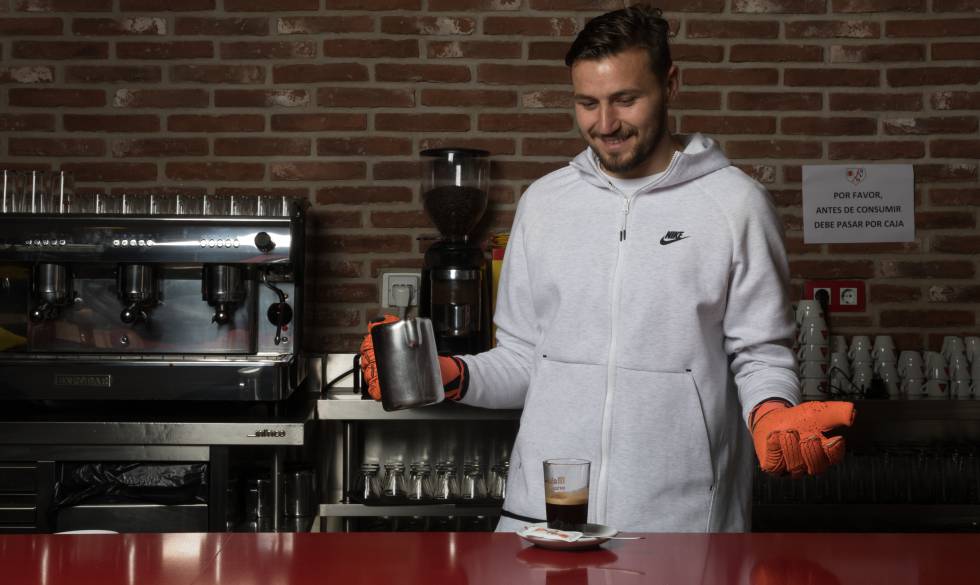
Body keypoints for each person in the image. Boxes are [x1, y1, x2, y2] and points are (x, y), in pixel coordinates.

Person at [360, 4, 854, 532]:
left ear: (670, 84)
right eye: (587, 103)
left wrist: (773, 414)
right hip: (544, 516)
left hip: (682, 521)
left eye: (625, 99)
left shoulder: (736, 205)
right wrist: (453, 375)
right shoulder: (544, 203)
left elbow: (760, 354)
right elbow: (526, 360)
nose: (605, 124)